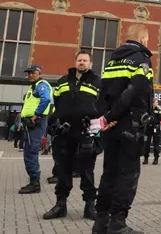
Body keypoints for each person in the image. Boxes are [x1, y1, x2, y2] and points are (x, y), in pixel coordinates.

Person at [93, 24, 153, 234]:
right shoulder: (141, 59)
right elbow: (135, 90)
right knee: (128, 175)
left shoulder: (112, 60)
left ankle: (100, 222)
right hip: (130, 125)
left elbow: (103, 92)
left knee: (109, 173)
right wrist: (114, 116)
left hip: (111, 126)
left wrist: (106, 117)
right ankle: (117, 223)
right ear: (144, 39)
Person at [43, 50, 102, 221]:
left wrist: (96, 128)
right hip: (65, 132)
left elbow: (103, 107)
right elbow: (57, 104)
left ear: (90, 64)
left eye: (85, 60)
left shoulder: (97, 82)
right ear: (75, 62)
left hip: (86, 132)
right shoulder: (62, 81)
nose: (82, 63)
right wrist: (54, 123)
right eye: (79, 60)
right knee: (63, 170)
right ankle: (60, 205)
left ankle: (90, 206)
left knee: (87, 171)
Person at [18, 65, 53, 194]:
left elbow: (46, 99)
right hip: (30, 124)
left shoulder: (41, 85)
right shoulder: (33, 87)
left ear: (39, 73)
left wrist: (37, 114)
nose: (30, 75)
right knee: (28, 152)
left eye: (33, 73)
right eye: (28, 73)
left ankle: (35, 184)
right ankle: (33, 182)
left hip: (36, 122)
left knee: (31, 152)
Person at [143, 99, 161, 165]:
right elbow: (145, 117)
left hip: (156, 128)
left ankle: (156, 159)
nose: (156, 104)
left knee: (156, 144)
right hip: (149, 128)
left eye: (157, 102)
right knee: (147, 144)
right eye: (155, 102)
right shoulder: (148, 110)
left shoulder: (159, 110)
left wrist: (159, 113)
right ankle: (146, 159)